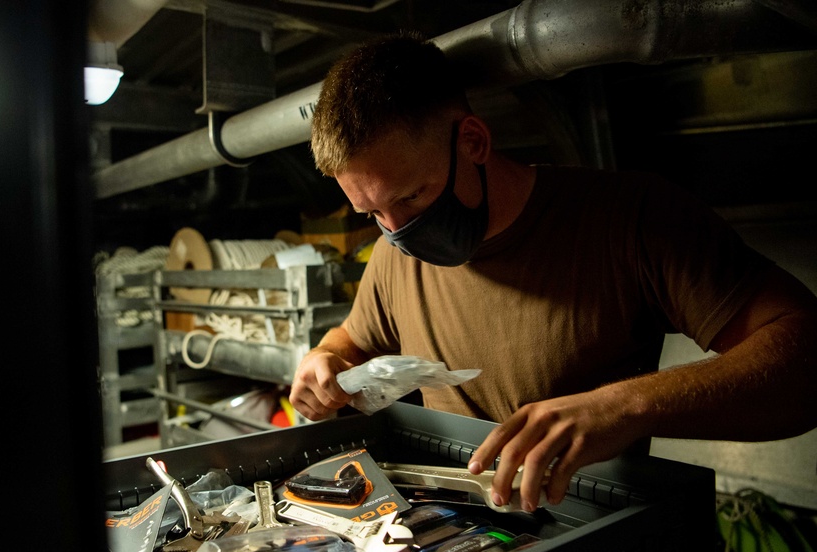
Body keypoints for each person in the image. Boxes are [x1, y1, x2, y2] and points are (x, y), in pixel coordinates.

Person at [288, 32, 817, 515]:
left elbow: (805, 356)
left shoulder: (630, 219)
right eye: (373, 213)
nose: (397, 230)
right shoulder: (391, 256)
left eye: (411, 196)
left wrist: (625, 405)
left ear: (472, 142)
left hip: (587, 540)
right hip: (451, 538)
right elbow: (355, 339)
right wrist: (326, 358)